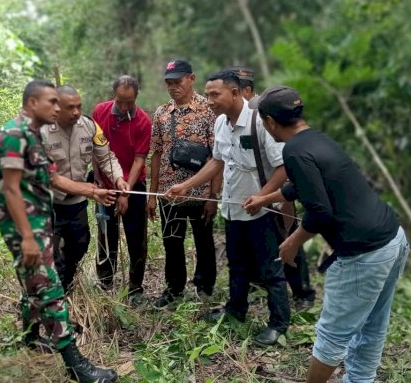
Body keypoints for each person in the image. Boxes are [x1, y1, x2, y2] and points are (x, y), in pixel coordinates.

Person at [245, 86, 409, 383]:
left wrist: (292, 242)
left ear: (270, 121)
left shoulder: (293, 151)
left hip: (364, 252)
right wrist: (267, 198)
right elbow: (307, 185)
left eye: (262, 121)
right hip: (392, 238)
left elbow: (320, 212)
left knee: (334, 328)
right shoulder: (314, 139)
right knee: (374, 320)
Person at [0, 79, 118, 383]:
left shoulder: (32, 135)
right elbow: (10, 189)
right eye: (53, 102)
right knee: (50, 289)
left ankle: (31, 337)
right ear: (33, 103)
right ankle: (76, 365)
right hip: (25, 228)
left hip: (39, 221)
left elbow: (53, 178)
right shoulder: (13, 135)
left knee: (34, 286)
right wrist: (28, 237)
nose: (58, 108)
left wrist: (91, 191)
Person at [166, 71, 290, 346]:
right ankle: (236, 309)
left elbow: (283, 168)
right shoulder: (221, 123)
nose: (209, 100)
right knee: (237, 263)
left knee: (270, 268)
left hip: (262, 210)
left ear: (235, 93)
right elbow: (217, 161)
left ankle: (279, 322)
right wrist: (187, 185)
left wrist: (262, 197)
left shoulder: (260, 122)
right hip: (233, 208)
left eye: (215, 95)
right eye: (207, 95)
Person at [227, 69, 316, 307]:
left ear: (244, 91)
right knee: (268, 248)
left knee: (288, 238)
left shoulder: (264, 118)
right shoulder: (232, 120)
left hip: (278, 195)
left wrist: (264, 196)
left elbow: (282, 166)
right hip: (259, 197)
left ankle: (302, 292)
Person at [41, 85, 127, 293]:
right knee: (53, 256)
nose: (76, 112)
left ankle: (66, 287)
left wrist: (118, 178)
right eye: (70, 108)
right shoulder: (41, 132)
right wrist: (89, 191)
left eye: (79, 106)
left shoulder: (89, 126)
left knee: (79, 246)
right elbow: (47, 176)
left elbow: (106, 157)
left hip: (77, 204)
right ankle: (54, 298)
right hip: (50, 205)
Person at [148, 59, 220, 308]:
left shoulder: (208, 111)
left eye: (177, 81)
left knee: (204, 240)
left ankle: (205, 286)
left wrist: (213, 194)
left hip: (201, 192)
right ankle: (174, 287)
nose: (173, 87)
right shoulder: (161, 113)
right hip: (170, 192)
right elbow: (156, 153)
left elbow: (217, 156)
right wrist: (152, 194)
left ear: (191, 79)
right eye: (169, 83)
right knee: (172, 240)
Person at [92, 76, 152, 302]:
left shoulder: (143, 121)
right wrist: (97, 179)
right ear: (113, 95)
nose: (125, 106)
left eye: (130, 101)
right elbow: (97, 149)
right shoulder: (100, 112)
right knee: (106, 234)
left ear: (136, 96)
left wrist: (126, 193)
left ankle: (136, 288)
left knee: (136, 236)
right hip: (105, 185)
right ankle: (105, 282)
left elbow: (139, 159)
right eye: (121, 101)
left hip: (134, 185)